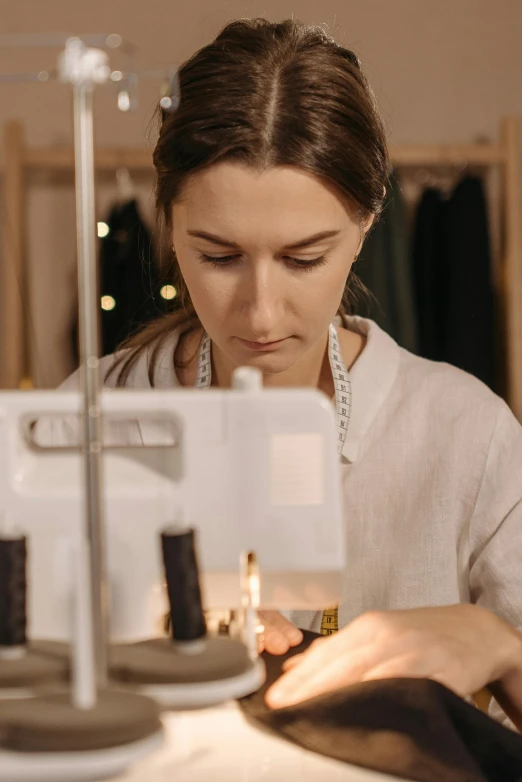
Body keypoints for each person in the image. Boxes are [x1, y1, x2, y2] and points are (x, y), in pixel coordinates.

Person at [58, 19, 522, 729]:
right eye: (217, 256)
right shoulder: (85, 422)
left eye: (304, 260)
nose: (263, 312)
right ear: (169, 227)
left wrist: (499, 647)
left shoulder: (468, 437)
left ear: (367, 222)